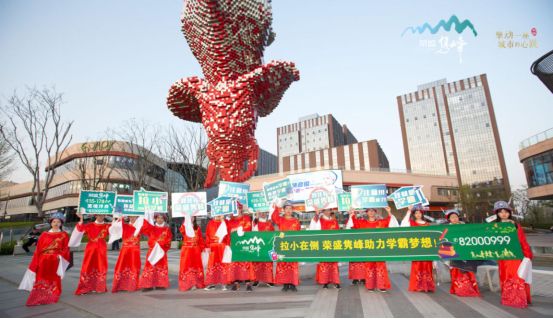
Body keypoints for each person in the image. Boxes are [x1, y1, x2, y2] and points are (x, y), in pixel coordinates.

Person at [20, 212, 70, 306]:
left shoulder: (64, 235)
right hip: (43, 260)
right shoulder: (44, 234)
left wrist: (59, 257)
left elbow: (66, 249)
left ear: (61, 223)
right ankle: (40, 293)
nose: (56, 223)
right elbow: (38, 249)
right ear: (51, 223)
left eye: (58, 222)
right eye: (54, 221)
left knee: (54, 277)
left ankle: (53, 292)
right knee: (41, 277)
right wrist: (36, 261)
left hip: (55, 260)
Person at [494, 201, 533, 308]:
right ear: (497, 214)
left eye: (506, 211)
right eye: (500, 212)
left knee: (517, 275)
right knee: (506, 276)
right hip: (503, 257)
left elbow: (522, 240)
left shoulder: (515, 225)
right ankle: (508, 297)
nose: (503, 214)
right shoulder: (495, 226)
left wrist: (527, 254)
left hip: (516, 256)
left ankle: (519, 298)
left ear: (509, 213)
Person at [445, 209, 480, 297]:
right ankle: (458, 289)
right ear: (449, 219)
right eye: (452, 217)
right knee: (456, 270)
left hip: (466, 252)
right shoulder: (446, 229)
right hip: (454, 253)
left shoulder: (465, 227)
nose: (454, 219)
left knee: (468, 270)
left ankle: (470, 288)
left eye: (455, 217)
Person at [401, 205, 435, 293]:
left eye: (419, 213)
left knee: (427, 266)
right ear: (414, 214)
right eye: (416, 213)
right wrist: (408, 211)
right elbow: (403, 224)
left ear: (422, 214)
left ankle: (428, 285)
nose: (418, 214)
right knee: (418, 266)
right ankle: (418, 285)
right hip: (417, 248)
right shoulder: (411, 223)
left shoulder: (427, 224)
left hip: (427, 248)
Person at [74, 213, 110, 295]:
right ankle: (85, 287)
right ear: (95, 216)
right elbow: (80, 229)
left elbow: (116, 229)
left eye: (103, 215)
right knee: (87, 266)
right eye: (99, 215)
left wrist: (117, 217)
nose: (101, 217)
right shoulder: (89, 225)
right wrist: (81, 219)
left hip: (101, 248)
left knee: (101, 266)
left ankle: (99, 287)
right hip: (90, 248)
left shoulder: (107, 226)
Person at [271, 201, 301, 292]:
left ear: (292, 210)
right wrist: (277, 206)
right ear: (283, 210)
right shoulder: (280, 219)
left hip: (293, 246)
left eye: (290, 209)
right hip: (283, 246)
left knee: (293, 265)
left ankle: (293, 284)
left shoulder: (296, 221)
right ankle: (285, 284)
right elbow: (273, 217)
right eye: (286, 208)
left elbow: (299, 233)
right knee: (283, 265)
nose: (288, 210)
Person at [138, 213, 173, 290]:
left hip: (161, 252)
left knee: (161, 268)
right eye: (158, 218)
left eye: (161, 218)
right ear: (155, 219)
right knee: (150, 267)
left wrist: (161, 246)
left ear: (164, 219)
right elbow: (144, 229)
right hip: (152, 252)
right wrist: (147, 215)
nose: (160, 220)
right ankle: (148, 285)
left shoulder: (167, 230)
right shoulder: (151, 228)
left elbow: (168, 241)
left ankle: (160, 284)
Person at [362, 207, 393, 292]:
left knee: (380, 266)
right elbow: (353, 224)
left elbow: (389, 221)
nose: (371, 212)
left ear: (375, 212)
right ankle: (370, 286)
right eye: (369, 211)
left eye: (373, 211)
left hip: (379, 249)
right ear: (367, 213)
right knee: (369, 266)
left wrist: (389, 212)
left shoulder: (380, 222)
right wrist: (351, 214)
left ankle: (381, 285)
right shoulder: (363, 223)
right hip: (368, 249)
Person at [111, 215, 143, 293]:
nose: (132, 218)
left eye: (134, 217)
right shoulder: (124, 226)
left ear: (137, 218)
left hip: (134, 251)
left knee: (134, 267)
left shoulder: (140, 227)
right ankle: (120, 284)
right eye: (130, 217)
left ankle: (132, 284)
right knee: (122, 267)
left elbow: (149, 227)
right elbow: (115, 226)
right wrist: (119, 216)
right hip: (125, 251)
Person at [312, 208, 340, 289]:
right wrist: (316, 214)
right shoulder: (319, 220)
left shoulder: (334, 221)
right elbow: (314, 228)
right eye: (326, 210)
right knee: (324, 263)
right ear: (323, 211)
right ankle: (325, 282)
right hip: (323, 245)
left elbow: (338, 233)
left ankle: (336, 281)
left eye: (329, 210)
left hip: (333, 245)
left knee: (334, 264)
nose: (328, 212)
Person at [178, 216, 206, 291]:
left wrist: (203, 248)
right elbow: (181, 230)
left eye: (192, 217)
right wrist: (186, 222)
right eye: (189, 216)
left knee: (196, 267)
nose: (191, 218)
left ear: (195, 218)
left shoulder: (197, 228)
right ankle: (186, 284)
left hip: (195, 250)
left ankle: (195, 283)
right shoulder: (185, 227)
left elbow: (200, 239)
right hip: (186, 250)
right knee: (186, 266)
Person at [204, 215, 230, 290]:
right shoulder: (210, 223)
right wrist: (207, 246)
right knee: (212, 265)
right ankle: (211, 283)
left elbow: (227, 234)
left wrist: (228, 245)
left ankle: (224, 283)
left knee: (223, 264)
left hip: (222, 246)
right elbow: (207, 235)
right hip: (213, 246)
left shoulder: (225, 222)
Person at [252, 211, 275, 287]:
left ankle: (269, 280)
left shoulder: (269, 223)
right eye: (261, 212)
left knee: (268, 263)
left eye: (264, 212)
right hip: (257, 245)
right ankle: (256, 280)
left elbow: (273, 234)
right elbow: (252, 232)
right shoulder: (255, 222)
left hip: (267, 246)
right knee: (257, 263)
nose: (263, 214)